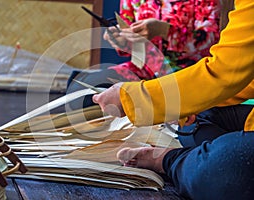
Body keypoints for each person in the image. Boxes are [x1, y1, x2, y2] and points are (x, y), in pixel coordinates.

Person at [92, 0, 254, 199]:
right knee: (194, 121)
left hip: (189, 70)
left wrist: (164, 30)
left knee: (224, 168)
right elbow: (246, 76)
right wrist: (186, 103)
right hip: (168, 77)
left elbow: (221, 61)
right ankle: (202, 154)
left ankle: (168, 159)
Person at [66, 0, 220, 110]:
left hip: (188, 72)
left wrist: (165, 30)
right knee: (83, 94)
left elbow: (210, 40)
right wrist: (118, 39)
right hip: (143, 69)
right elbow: (128, 42)